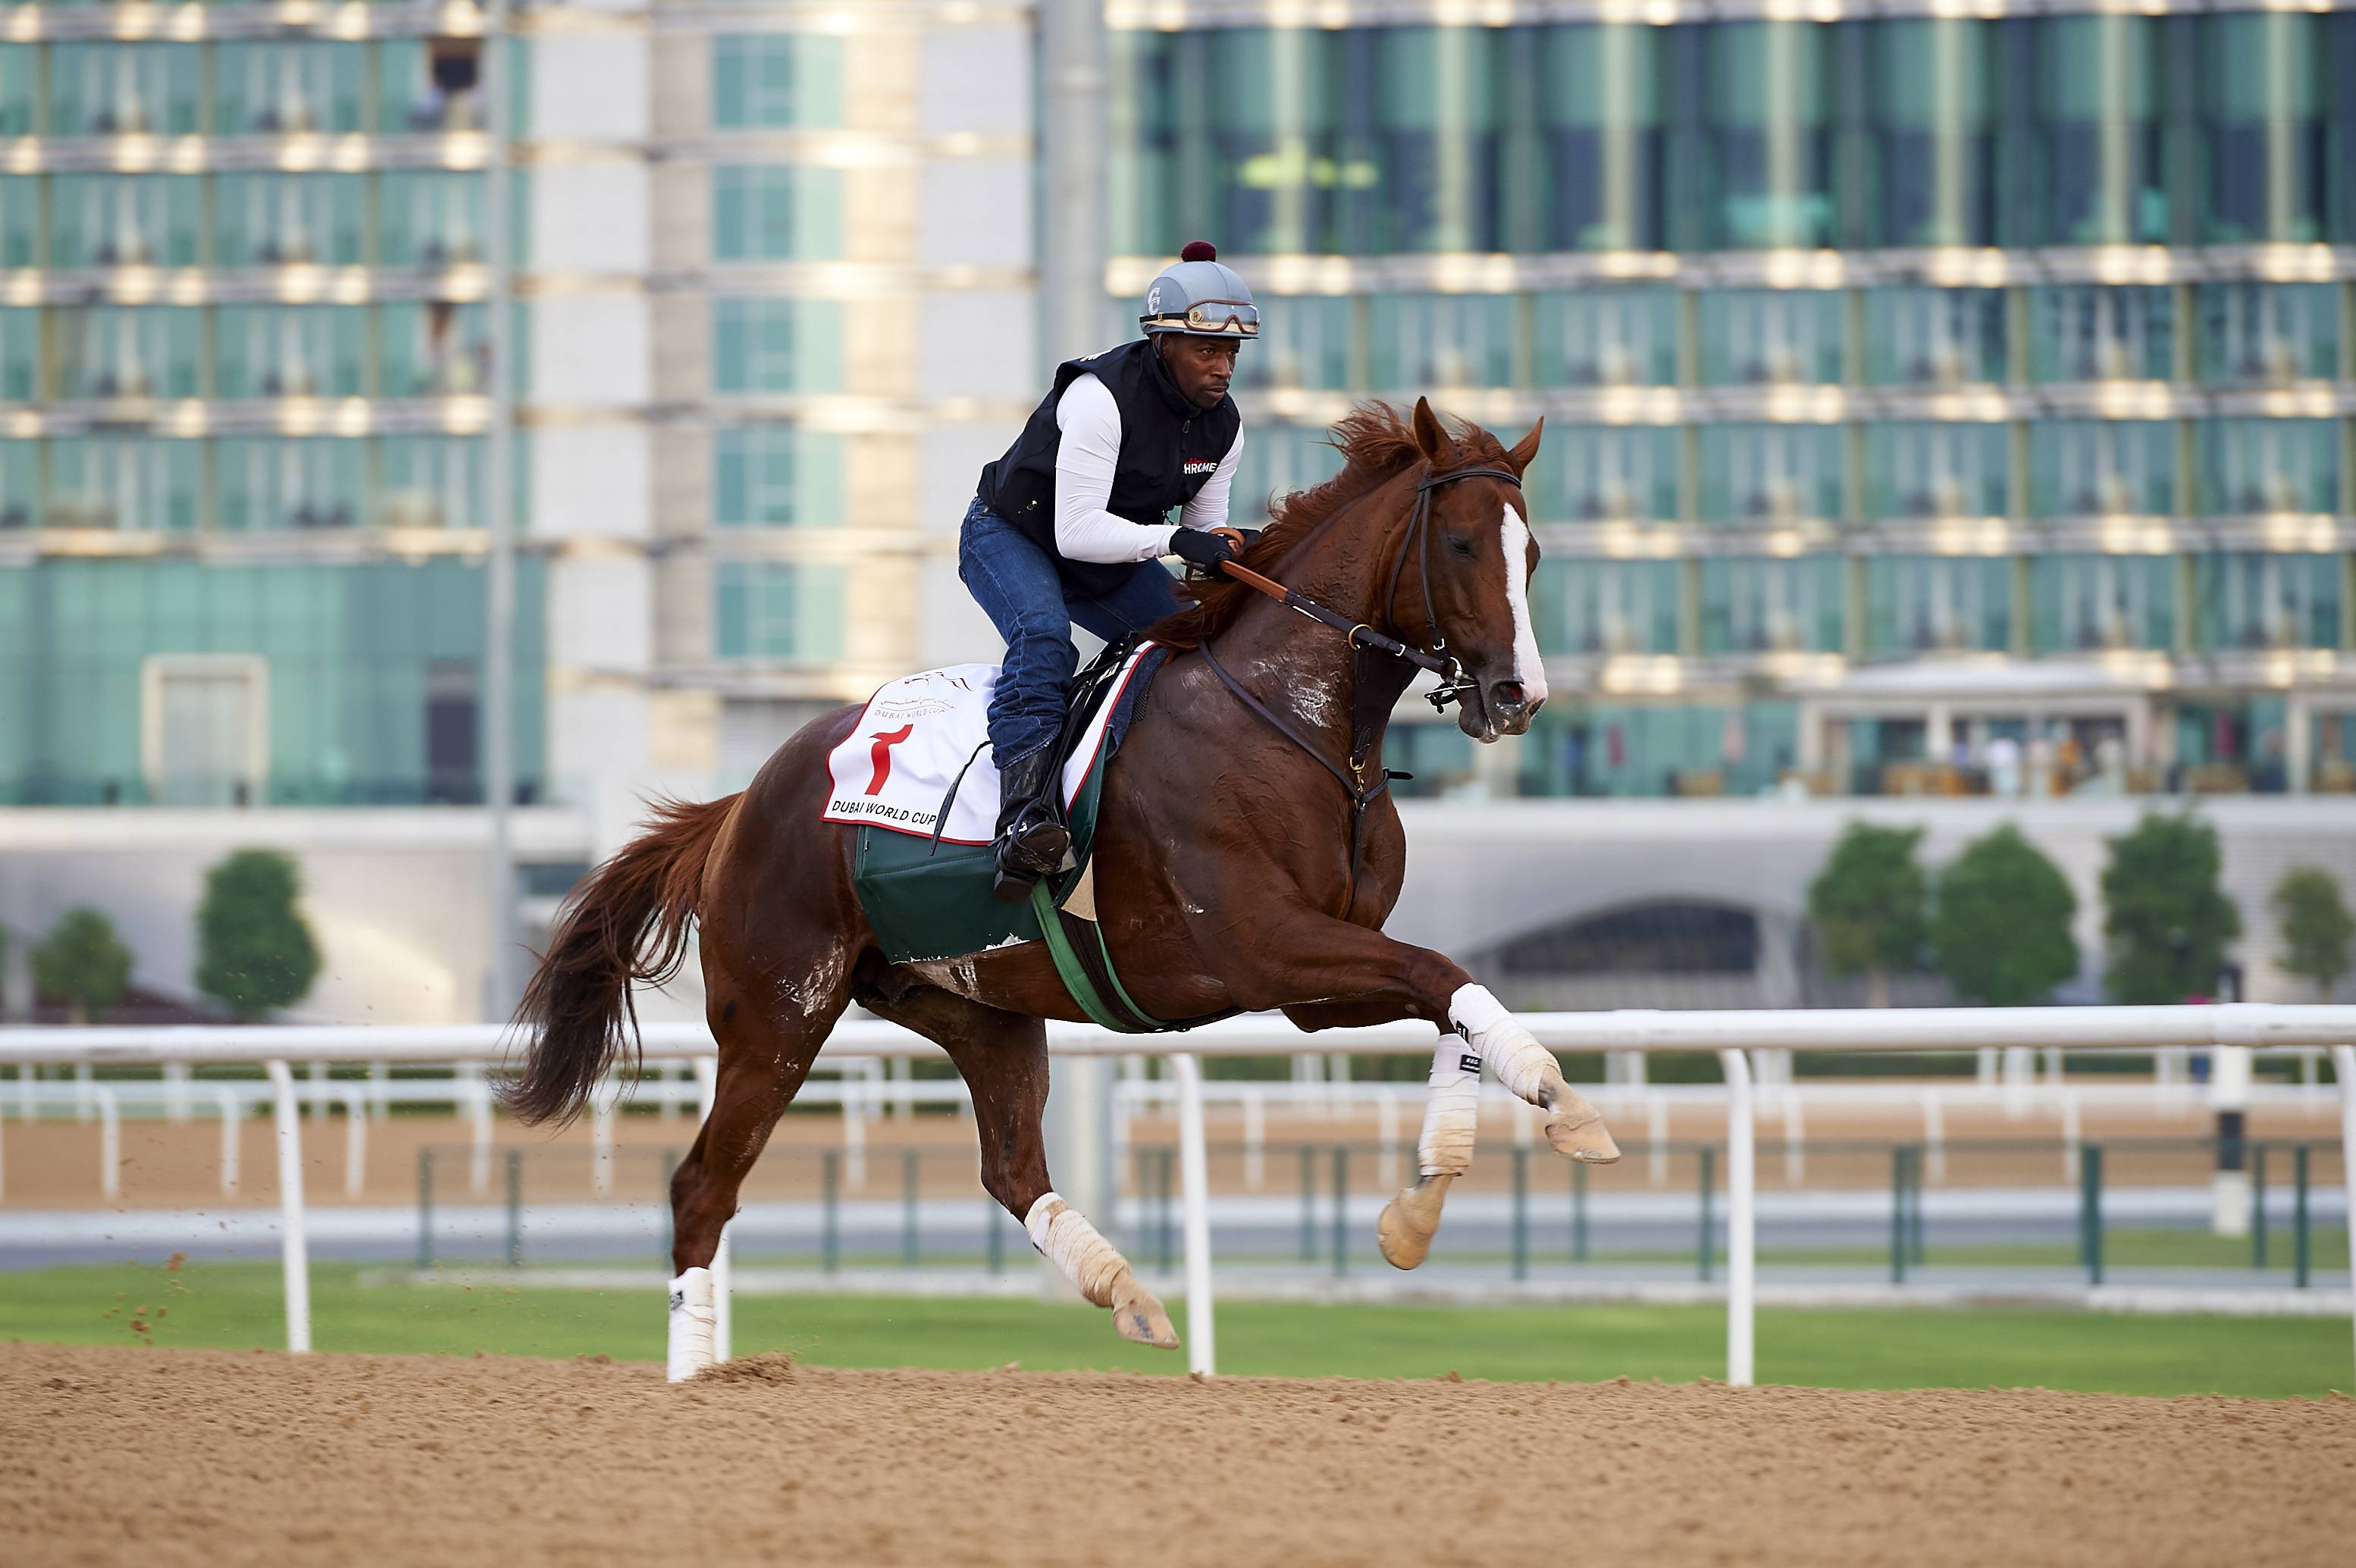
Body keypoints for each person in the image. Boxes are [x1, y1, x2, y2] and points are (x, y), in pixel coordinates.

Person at [960, 241, 1257, 899]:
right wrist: (1180, 540)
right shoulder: (1101, 399)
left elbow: (1201, 536)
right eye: (1207, 351)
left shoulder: (1226, 429)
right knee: (1043, 640)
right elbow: (1076, 531)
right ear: (1164, 344)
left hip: (1105, 558)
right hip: (1012, 537)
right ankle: (1023, 822)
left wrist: (1231, 549)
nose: (1223, 368)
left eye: (1232, 354)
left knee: (1197, 643)